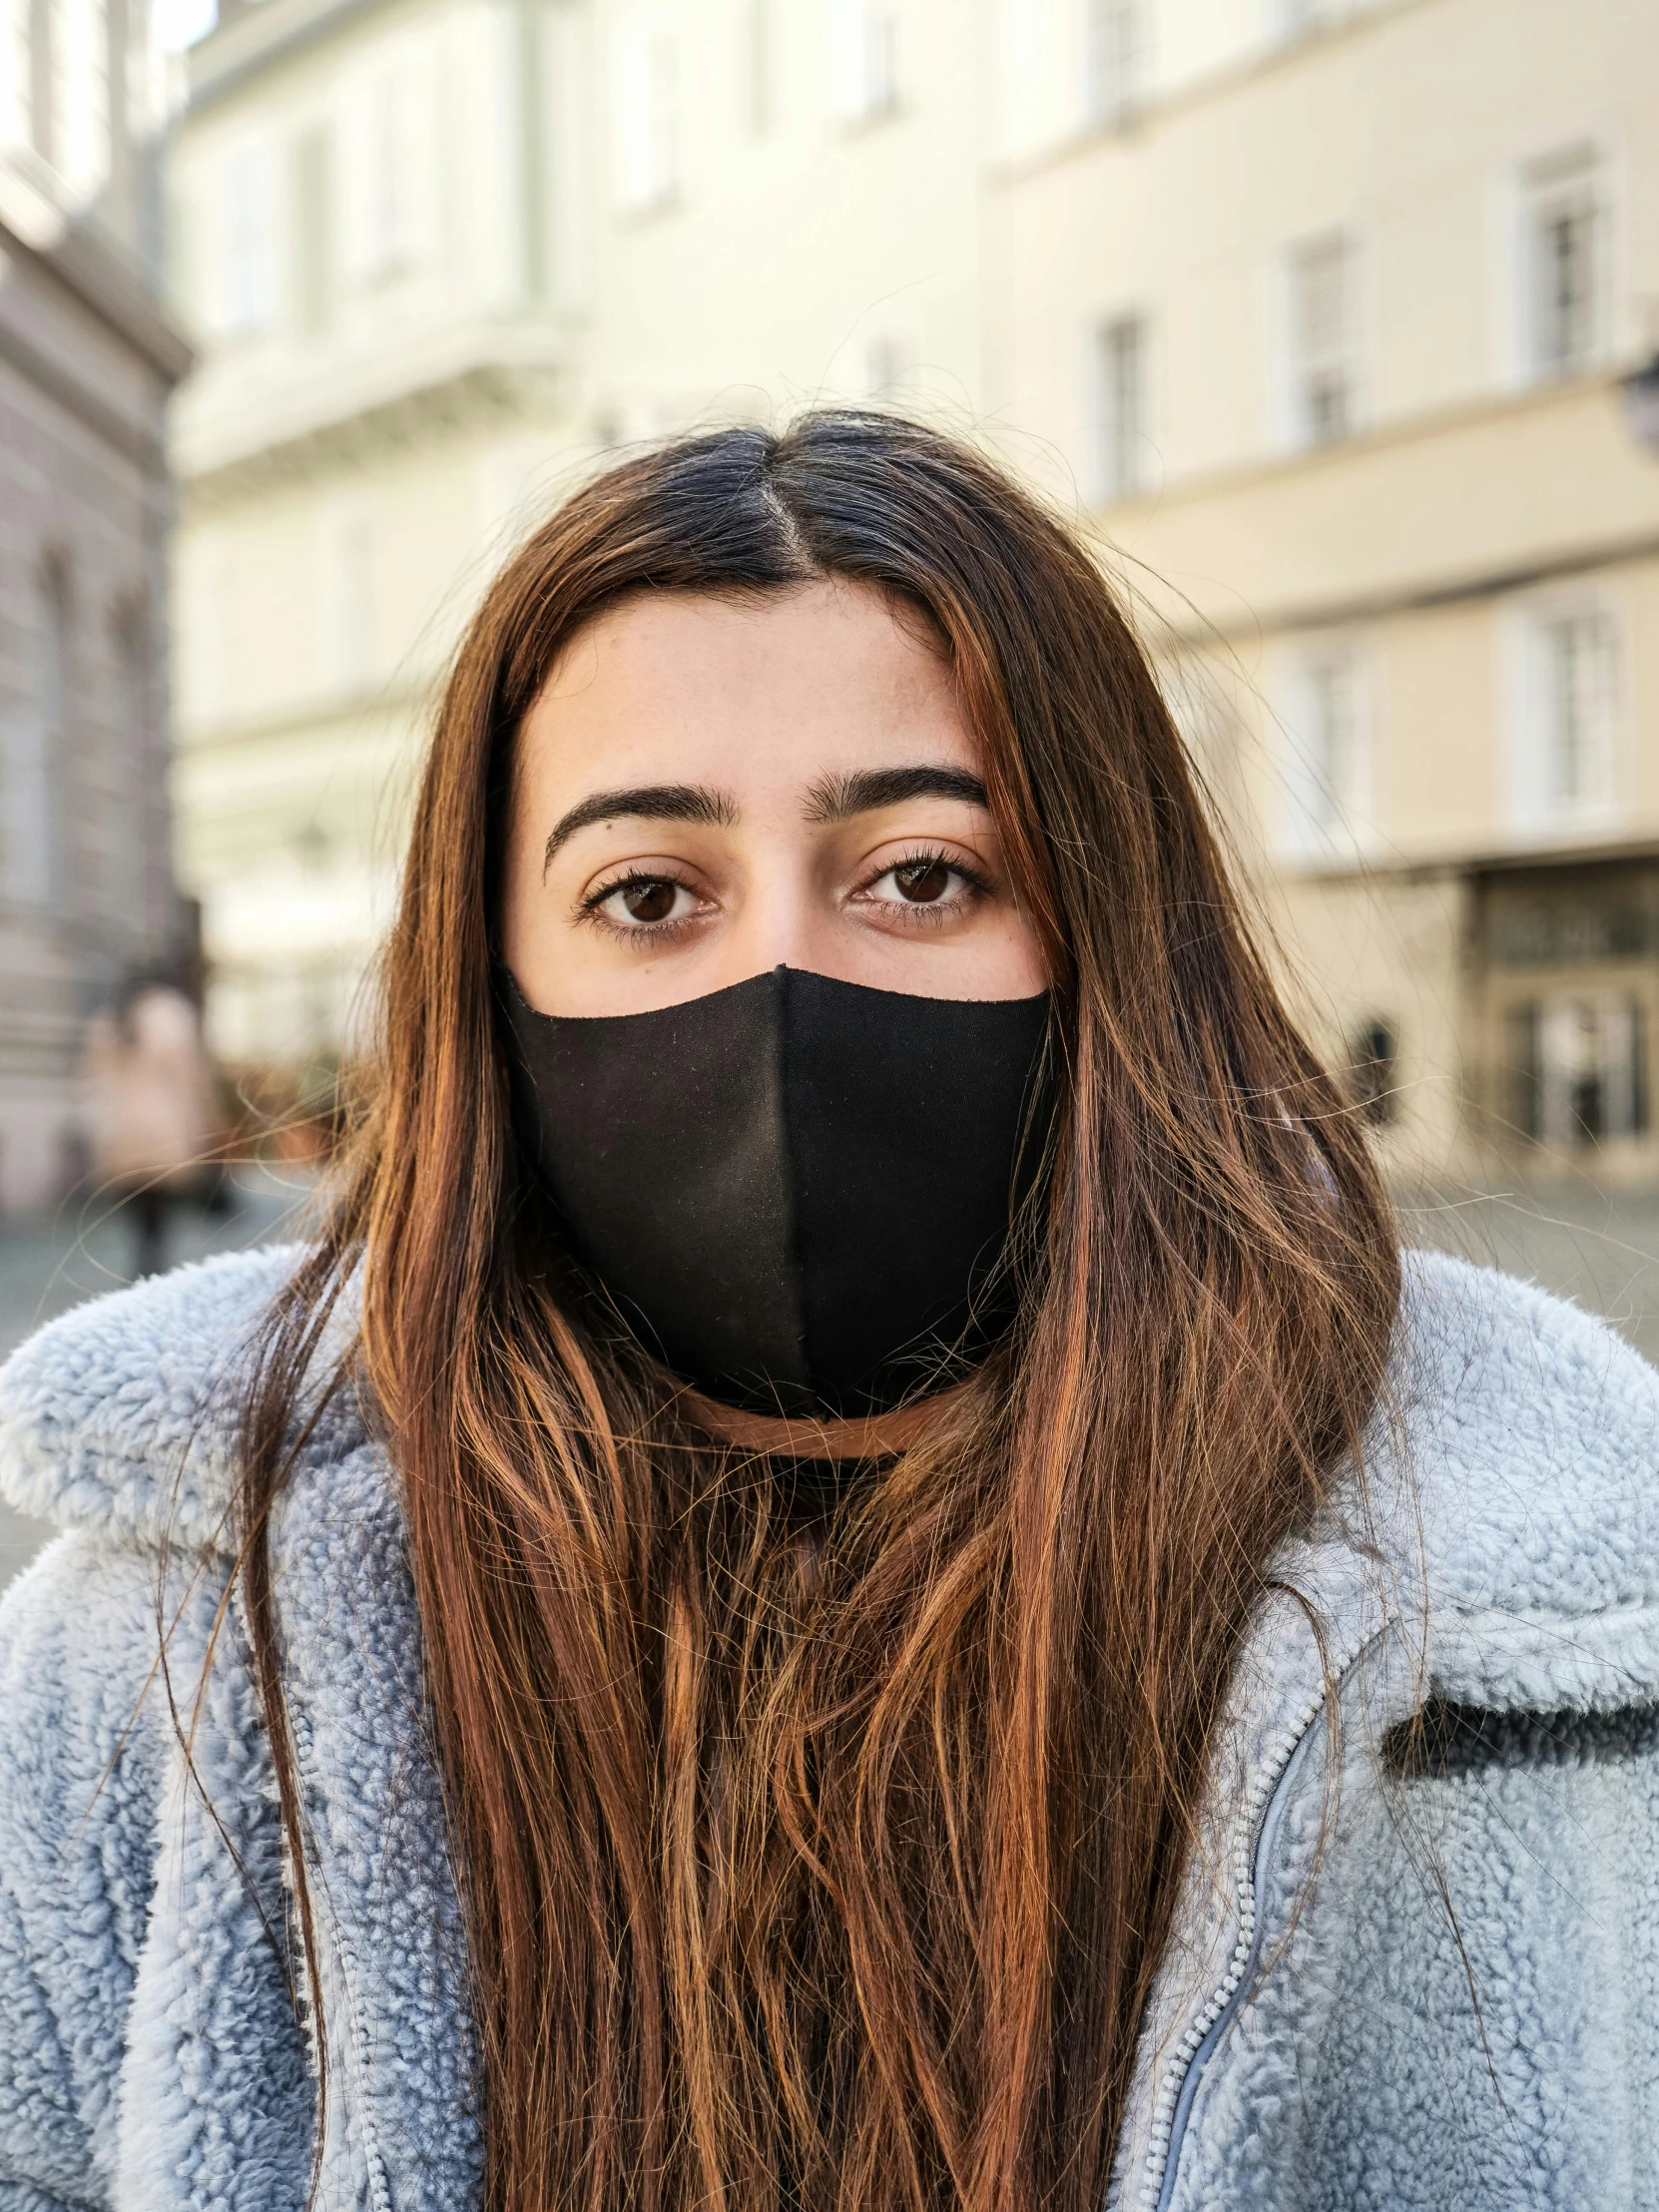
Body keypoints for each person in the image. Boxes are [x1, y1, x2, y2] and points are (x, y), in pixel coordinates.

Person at [0, 414, 1655, 2212]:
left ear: (1106, 924)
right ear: (490, 979)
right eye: (646, 895)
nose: (781, 985)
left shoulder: (1530, 1641)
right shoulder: (176, 1634)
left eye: (921, 875)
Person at [80, 976, 220, 1278]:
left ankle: (143, 1263)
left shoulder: (109, 1018)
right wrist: (203, 1121)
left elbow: (94, 1077)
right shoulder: (173, 1015)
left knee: (136, 1202)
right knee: (160, 1204)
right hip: (164, 1121)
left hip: (120, 1124)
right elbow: (191, 1075)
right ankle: (152, 1266)